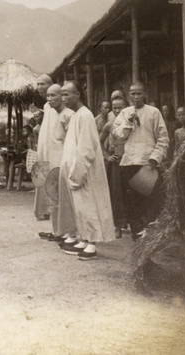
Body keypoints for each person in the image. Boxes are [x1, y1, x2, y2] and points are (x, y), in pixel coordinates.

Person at [59, 81, 115, 260]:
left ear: (78, 95)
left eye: (67, 94)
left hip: (85, 170)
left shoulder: (86, 116)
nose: (64, 98)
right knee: (81, 207)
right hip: (76, 169)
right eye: (62, 94)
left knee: (90, 205)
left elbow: (86, 147)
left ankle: (92, 243)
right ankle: (84, 238)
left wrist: (79, 171)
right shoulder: (76, 116)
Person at [113, 81, 169, 239]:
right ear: (129, 95)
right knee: (131, 202)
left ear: (145, 94)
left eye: (138, 93)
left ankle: (148, 234)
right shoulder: (124, 113)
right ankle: (137, 235)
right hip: (128, 163)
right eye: (132, 93)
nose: (135, 97)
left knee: (148, 202)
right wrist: (128, 122)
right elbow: (118, 136)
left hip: (146, 164)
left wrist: (154, 159)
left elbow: (163, 138)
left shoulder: (153, 112)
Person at [35, 84, 75, 242]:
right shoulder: (51, 112)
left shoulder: (69, 115)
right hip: (51, 161)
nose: (49, 98)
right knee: (53, 199)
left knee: (65, 200)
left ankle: (69, 233)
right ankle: (58, 231)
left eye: (54, 95)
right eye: (48, 96)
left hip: (63, 162)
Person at [100, 95, 128, 238]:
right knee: (117, 194)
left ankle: (135, 225)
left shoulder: (132, 123)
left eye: (120, 107)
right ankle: (117, 226)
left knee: (131, 193)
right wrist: (107, 156)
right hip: (116, 163)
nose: (117, 110)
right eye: (114, 107)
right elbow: (99, 141)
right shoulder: (109, 125)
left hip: (130, 162)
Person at [33, 74, 54, 219]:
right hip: (44, 147)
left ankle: (51, 209)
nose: (39, 87)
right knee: (43, 177)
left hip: (52, 147)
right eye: (38, 84)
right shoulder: (46, 106)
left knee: (51, 177)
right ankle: (45, 209)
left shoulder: (56, 105)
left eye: (43, 84)